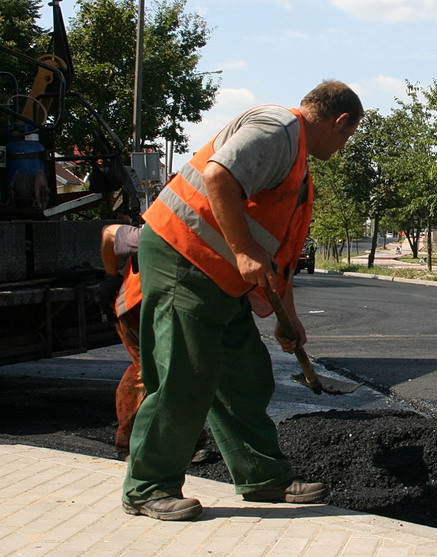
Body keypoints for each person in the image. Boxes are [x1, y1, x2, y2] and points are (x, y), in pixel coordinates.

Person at [122, 80, 363, 521]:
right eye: (347, 136)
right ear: (339, 121)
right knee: (185, 371)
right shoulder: (278, 128)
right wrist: (244, 250)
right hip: (184, 253)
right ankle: (148, 486)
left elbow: (279, 257)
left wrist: (287, 319)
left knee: (245, 374)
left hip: (219, 271)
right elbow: (217, 176)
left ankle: (261, 476)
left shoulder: (297, 167)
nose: (344, 145)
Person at [98, 223, 209, 463]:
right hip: (135, 308)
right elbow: (108, 233)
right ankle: (127, 443)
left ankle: (187, 440)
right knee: (145, 369)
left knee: (180, 369)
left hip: (168, 307)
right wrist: (110, 276)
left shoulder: (206, 241)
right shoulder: (159, 232)